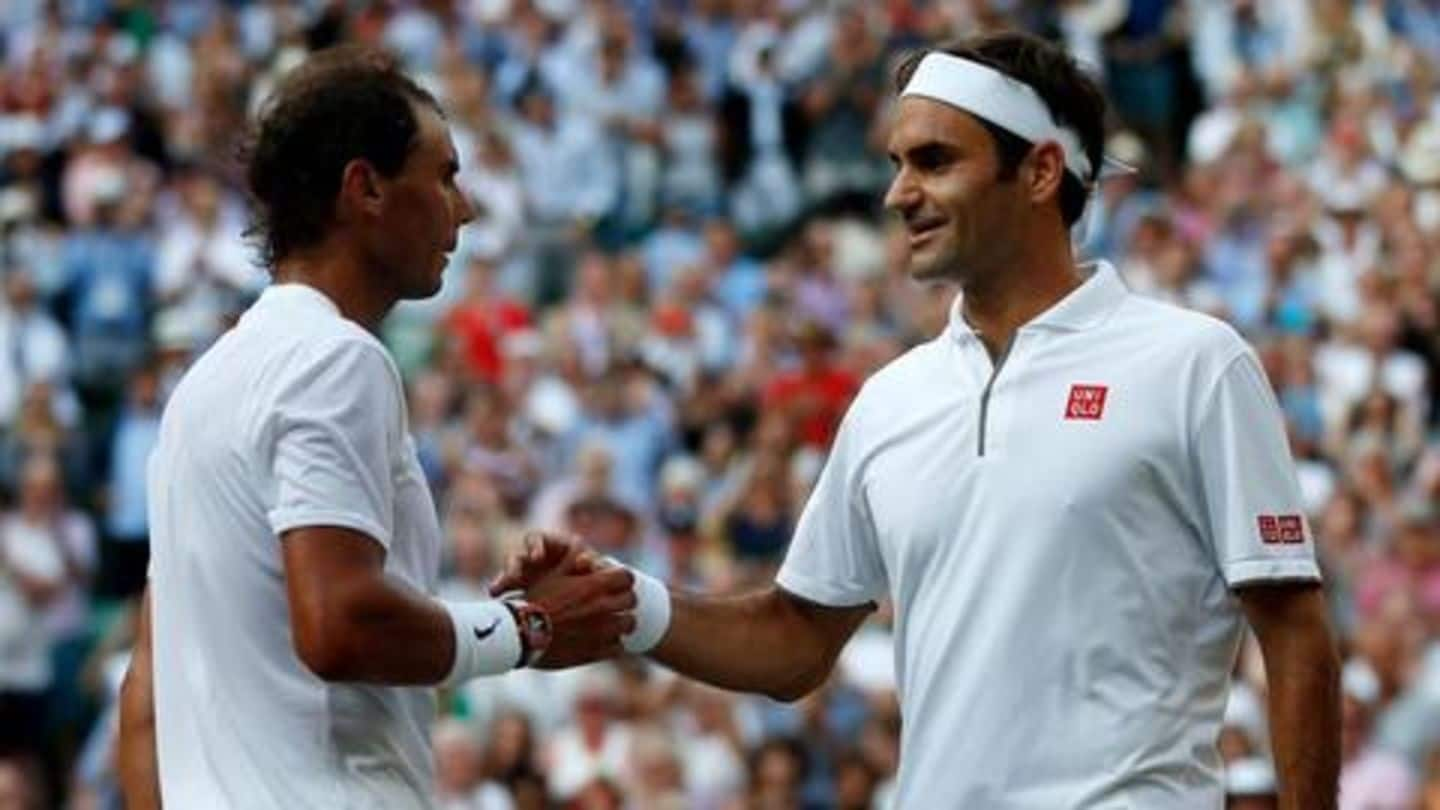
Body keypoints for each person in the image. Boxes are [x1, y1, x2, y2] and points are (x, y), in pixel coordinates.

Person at [497, 32, 1342, 808]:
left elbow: (1295, 633)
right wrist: (621, 602)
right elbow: (794, 642)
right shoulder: (890, 400)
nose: (900, 193)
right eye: (899, 163)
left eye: (934, 161)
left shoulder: (1195, 362)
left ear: (1042, 172)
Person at [117, 47, 638, 810]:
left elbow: (145, 702)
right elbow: (337, 624)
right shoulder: (336, 358)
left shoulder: (201, 389)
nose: (464, 208)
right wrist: (530, 629)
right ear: (365, 188)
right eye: (445, 175)